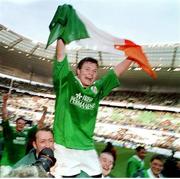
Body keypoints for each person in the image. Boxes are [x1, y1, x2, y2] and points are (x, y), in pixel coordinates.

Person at [53, 39, 135, 177]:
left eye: (94, 71)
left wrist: (132, 56)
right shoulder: (67, 82)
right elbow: (61, 57)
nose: (91, 73)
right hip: (64, 146)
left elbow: (115, 73)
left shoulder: (96, 89)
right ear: (78, 71)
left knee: (98, 176)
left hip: (87, 147)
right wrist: (62, 37)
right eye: (87, 69)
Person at [0, 93, 47, 168]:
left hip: (19, 165)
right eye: (19, 123)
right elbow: (4, 116)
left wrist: (44, 113)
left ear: (25, 125)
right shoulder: (9, 131)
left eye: (23, 124)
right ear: (16, 124)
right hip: (6, 165)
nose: (21, 125)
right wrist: (5, 101)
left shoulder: (27, 133)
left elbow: (40, 125)